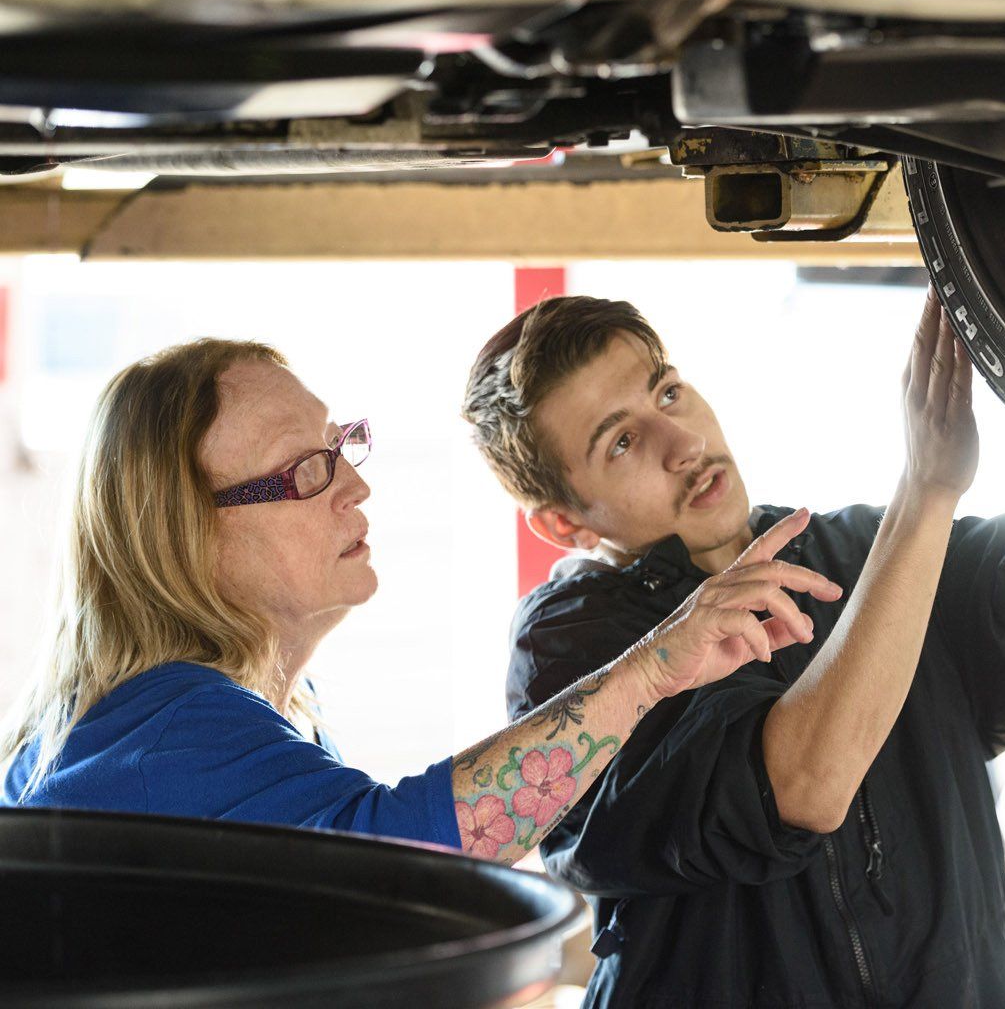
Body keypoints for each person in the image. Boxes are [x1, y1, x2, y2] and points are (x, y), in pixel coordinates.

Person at [461, 290, 1005, 1004]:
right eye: (621, 442)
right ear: (564, 526)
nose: (682, 445)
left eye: (670, 392)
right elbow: (803, 785)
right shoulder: (572, 655)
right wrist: (925, 494)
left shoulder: (865, 554)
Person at [0, 338, 840, 867]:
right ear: (185, 531)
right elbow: (403, 861)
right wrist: (654, 667)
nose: (355, 485)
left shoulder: (217, 711)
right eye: (304, 472)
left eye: (339, 447)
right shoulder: (166, 727)